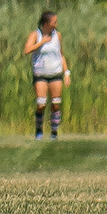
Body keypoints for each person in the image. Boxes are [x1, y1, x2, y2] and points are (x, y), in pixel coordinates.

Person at [23, 10, 71, 141]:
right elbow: (27, 50)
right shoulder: (35, 34)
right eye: (54, 22)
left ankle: (54, 132)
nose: (56, 24)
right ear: (46, 23)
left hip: (55, 73)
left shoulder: (58, 36)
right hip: (40, 74)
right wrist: (41, 42)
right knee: (41, 103)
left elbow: (61, 54)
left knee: (56, 103)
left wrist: (66, 73)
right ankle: (38, 130)